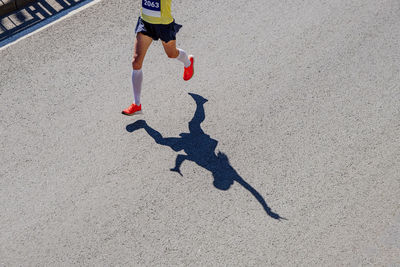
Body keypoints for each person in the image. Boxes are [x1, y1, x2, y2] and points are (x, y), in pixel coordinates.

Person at [122, 0, 194, 116]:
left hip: (163, 25)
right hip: (146, 23)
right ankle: (137, 104)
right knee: (136, 62)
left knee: (171, 54)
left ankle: (188, 62)